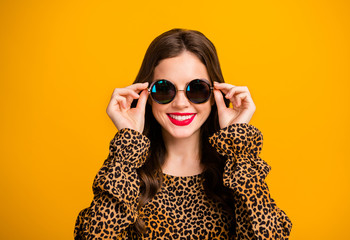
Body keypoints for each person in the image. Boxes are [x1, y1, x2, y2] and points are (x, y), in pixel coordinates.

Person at [74, 28, 292, 240]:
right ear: (146, 95)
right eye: (164, 89)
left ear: (216, 94)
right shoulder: (128, 171)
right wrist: (128, 144)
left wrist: (239, 146)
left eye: (196, 89)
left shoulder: (235, 171)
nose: (180, 104)